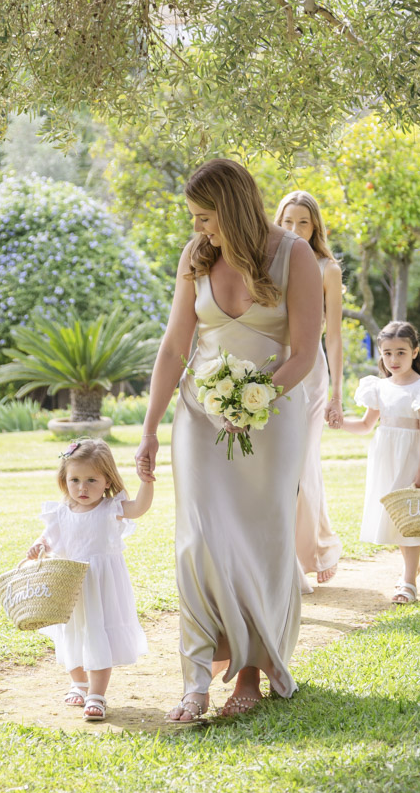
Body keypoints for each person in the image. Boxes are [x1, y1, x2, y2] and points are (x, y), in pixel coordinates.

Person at [135, 158, 322, 722]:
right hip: (200, 416)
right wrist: (149, 430)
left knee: (260, 540)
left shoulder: (296, 257)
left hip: (274, 416)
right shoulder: (196, 258)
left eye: (205, 217)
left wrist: (255, 399)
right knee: (198, 542)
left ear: (234, 208)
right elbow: (173, 349)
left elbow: (304, 356)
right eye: (194, 218)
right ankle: (195, 679)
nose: (199, 230)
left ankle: (248, 672)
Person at [27, 437, 153, 721]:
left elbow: (139, 508)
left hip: (100, 586)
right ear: (64, 480)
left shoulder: (110, 509)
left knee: (98, 633)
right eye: (75, 480)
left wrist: (146, 481)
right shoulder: (61, 513)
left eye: (92, 480)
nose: (82, 488)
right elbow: (48, 539)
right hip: (70, 585)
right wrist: (39, 547)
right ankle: (78, 683)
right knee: (70, 634)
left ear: (108, 481)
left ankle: (96, 693)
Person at [341, 321, 420, 605]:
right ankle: (411, 568)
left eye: (401, 353)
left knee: (412, 517)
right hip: (386, 459)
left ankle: (408, 582)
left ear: (415, 352)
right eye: (387, 353)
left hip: (414, 457)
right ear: (380, 355)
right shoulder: (379, 388)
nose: (394, 360)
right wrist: (337, 422)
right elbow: (366, 425)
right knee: (397, 517)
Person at [274, 190, 343, 589]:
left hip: (311, 370)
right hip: (271, 362)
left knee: (302, 462)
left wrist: (336, 392)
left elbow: (332, 335)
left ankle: (310, 553)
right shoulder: (268, 262)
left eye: (303, 222)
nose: (295, 229)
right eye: (287, 221)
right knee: (277, 463)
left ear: (315, 225)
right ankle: (285, 555)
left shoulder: (325, 268)